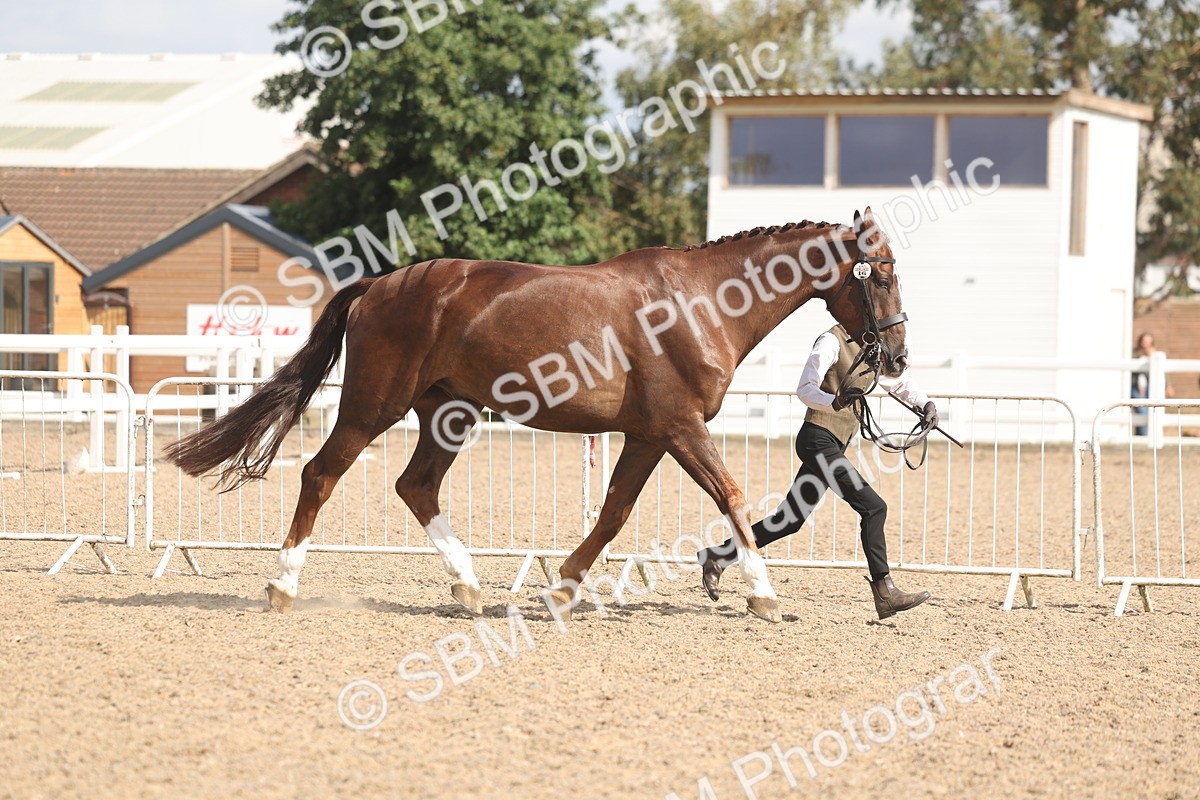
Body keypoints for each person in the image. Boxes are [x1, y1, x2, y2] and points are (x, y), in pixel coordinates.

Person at [696, 323, 937, 620]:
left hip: (831, 443)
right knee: (874, 508)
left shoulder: (872, 347)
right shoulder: (831, 341)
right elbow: (805, 388)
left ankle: (718, 555)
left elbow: (896, 382)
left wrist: (926, 404)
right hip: (817, 440)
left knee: (789, 521)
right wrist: (833, 401)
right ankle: (885, 593)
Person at [1131, 332, 1156, 436]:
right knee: (1142, 412)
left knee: (1149, 413)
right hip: (1137, 388)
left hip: (1149, 388)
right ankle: (1142, 437)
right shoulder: (1134, 355)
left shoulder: (1154, 355)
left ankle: (1144, 436)